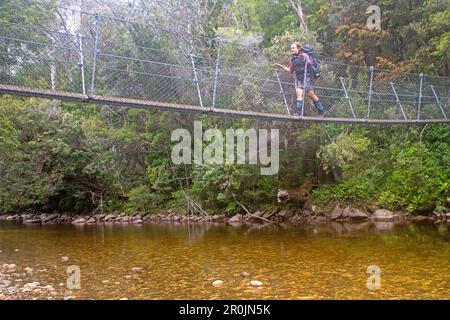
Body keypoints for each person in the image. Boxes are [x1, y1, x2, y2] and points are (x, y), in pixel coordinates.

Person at [275, 42, 324, 116]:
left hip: (307, 77)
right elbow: (290, 70)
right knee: (299, 93)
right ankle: (298, 113)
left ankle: (321, 110)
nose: (292, 49)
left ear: (298, 48)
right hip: (298, 78)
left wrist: (305, 60)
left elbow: (310, 63)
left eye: (293, 48)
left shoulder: (304, 55)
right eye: (291, 48)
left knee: (311, 94)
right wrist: (280, 66)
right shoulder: (293, 60)